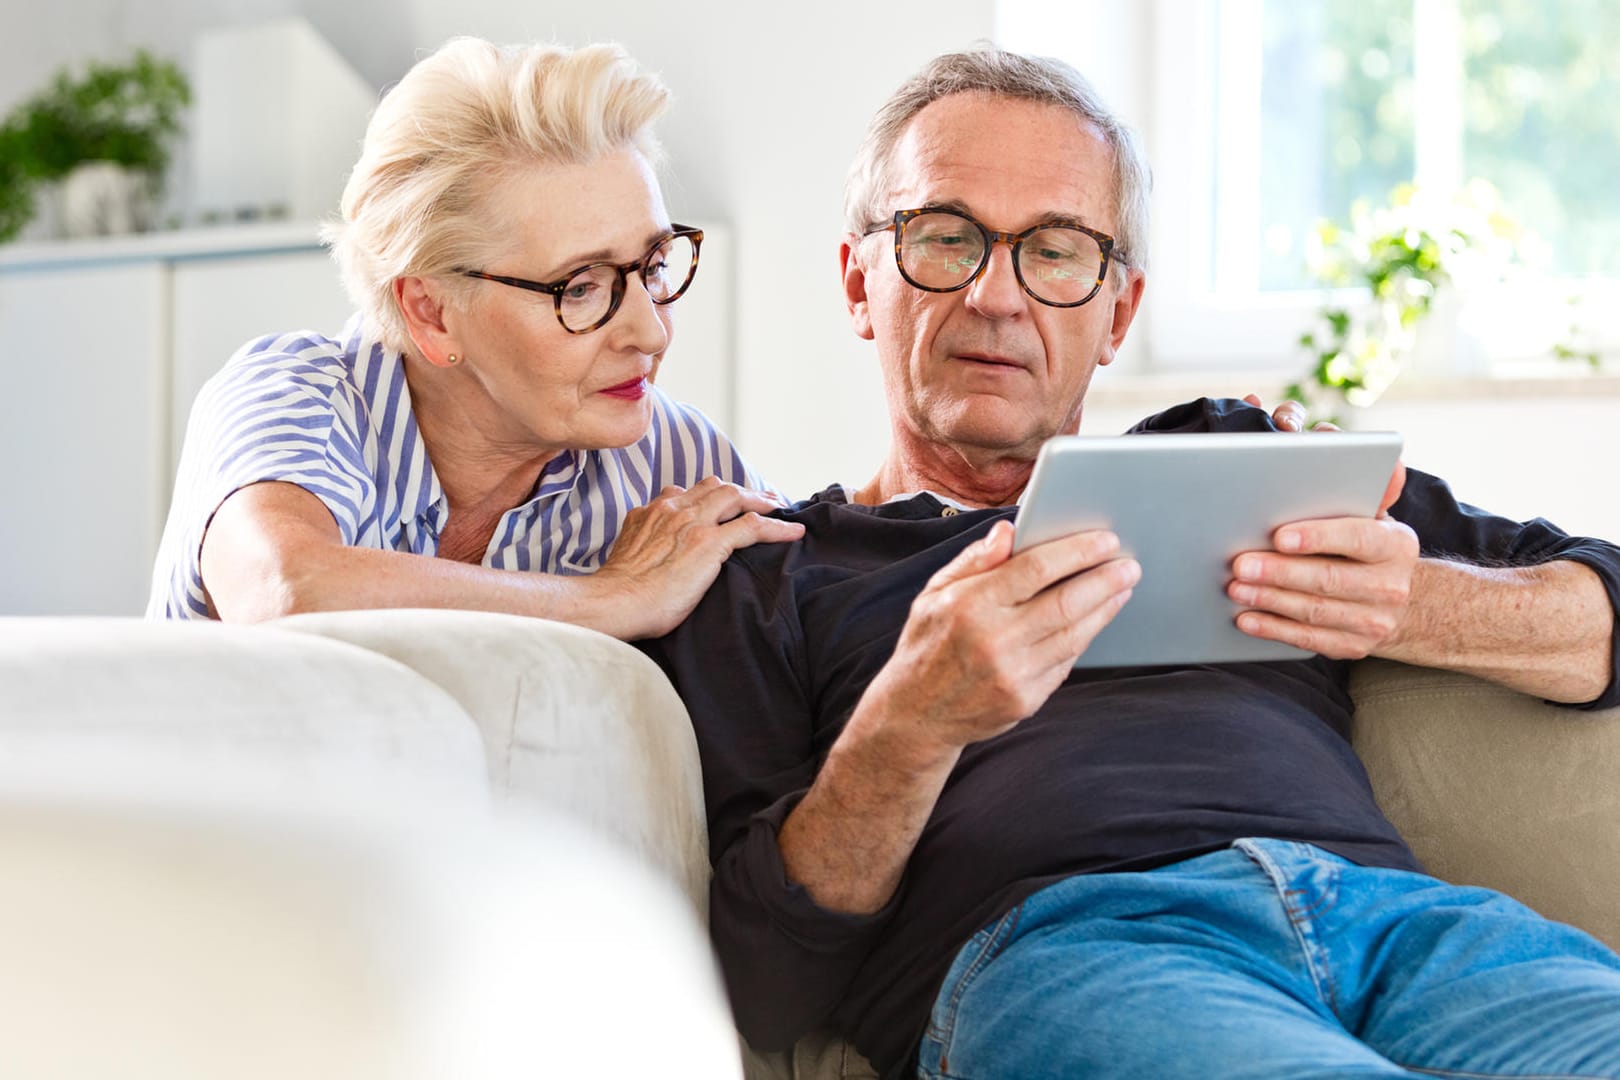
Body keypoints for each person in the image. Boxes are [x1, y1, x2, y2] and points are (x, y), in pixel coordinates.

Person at [639, 47, 1620, 1080]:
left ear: (1117, 311)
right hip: (1078, 951)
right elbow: (766, 979)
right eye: (944, 237)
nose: (994, 296)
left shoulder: (1242, 456)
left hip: (1397, 924)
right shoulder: (766, 574)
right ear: (858, 282)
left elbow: (1603, 609)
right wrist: (911, 723)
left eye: (1056, 251)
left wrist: (1415, 605)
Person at [148, 38, 800, 638]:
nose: (651, 332)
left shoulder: (675, 460)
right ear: (431, 312)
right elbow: (288, 593)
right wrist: (612, 600)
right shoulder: (294, 396)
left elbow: (809, 616)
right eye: (579, 288)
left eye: (654, 267)